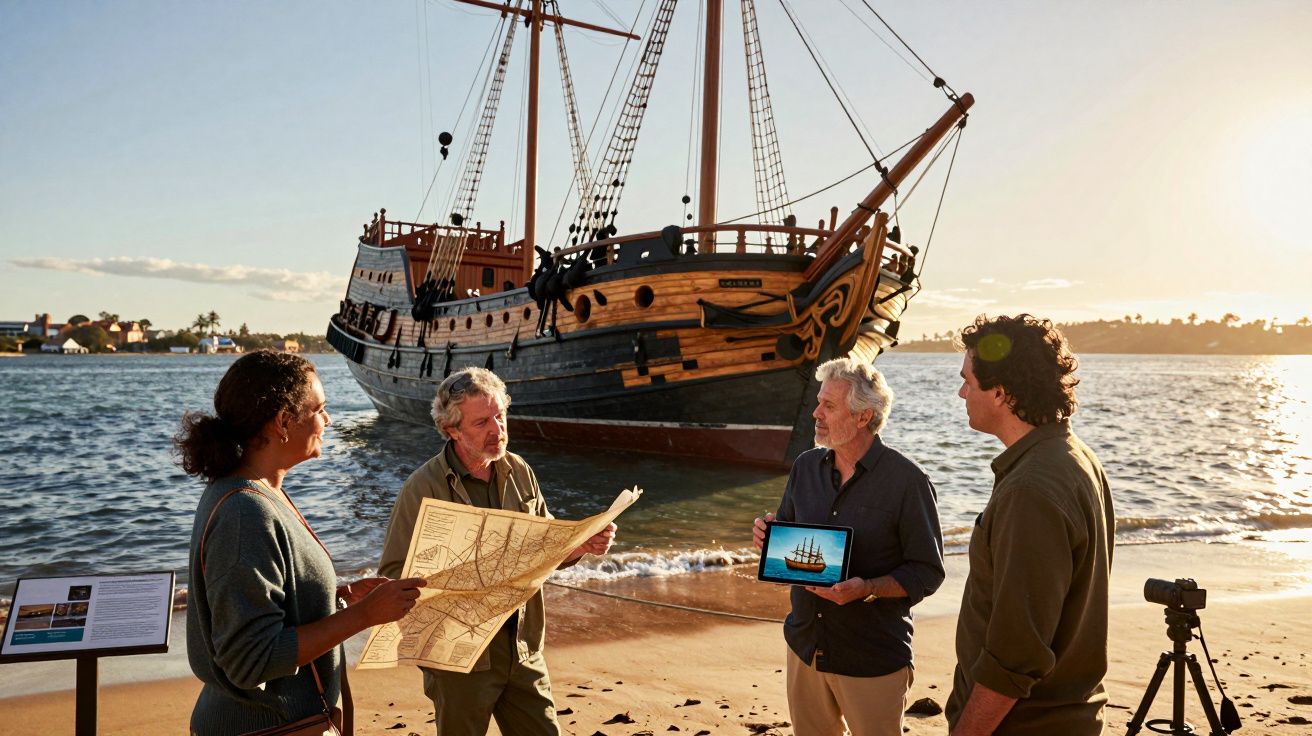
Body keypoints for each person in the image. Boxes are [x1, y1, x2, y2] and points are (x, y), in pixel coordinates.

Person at [178, 350, 426, 735]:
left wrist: (338, 597)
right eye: (319, 409)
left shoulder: (257, 492)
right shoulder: (244, 511)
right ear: (283, 421)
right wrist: (364, 615)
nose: (327, 420)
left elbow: (265, 607)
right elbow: (250, 660)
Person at [379, 367, 616, 736]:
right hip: (459, 661)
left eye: (500, 416)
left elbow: (546, 549)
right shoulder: (422, 487)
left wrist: (579, 546)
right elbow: (393, 575)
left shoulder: (519, 470)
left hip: (522, 646)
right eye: (482, 423)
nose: (498, 430)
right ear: (452, 430)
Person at [752, 357, 945, 736]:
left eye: (829, 406)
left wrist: (868, 589)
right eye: (819, 401)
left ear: (863, 417)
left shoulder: (908, 481)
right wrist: (768, 537)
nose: (815, 413)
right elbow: (787, 537)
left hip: (871, 656)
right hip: (805, 647)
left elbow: (927, 571)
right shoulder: (805, 467)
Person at [946, 314, 1115, 736]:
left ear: (1000, 393)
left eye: (968, 380)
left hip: (1025, 724)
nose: (962, 391)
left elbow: (1016, 655)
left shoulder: (1031, 490)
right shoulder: (1073, 456)